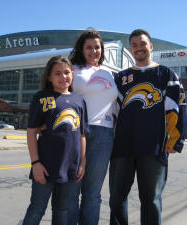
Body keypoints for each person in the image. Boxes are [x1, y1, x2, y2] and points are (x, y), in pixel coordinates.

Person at [109, 29, 187, 225]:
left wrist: (176, 140)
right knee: (117, 199)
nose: (139, 48)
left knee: (151, 200)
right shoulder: (121, 78)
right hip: (122, 148)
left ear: (151, 46)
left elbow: (178, 108)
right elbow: (111, 112)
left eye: (142, 43)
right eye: (134, 45)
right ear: (130, 49)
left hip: (153, 147)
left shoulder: (166, 74)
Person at [22, 56, 89, 225]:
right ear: (50, 77)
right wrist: (35, 163)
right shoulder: (42, 97)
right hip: (45, 167)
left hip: (70, 169)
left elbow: (82, 135)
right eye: (57, 73)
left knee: (62, 211)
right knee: (37, 209)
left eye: (66, 72)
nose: (63, 77)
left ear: (72, 74)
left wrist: (82, 162)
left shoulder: (79, 101)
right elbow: (31, 132)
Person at [68, 29, 118, 225]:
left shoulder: (108, 73)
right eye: (88, 47)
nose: (93, 51)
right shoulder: (72, 69)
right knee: (72, 190)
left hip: (105, 134)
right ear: (81, 49)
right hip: (77, 132)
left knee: (92, 194)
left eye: (97, 47)